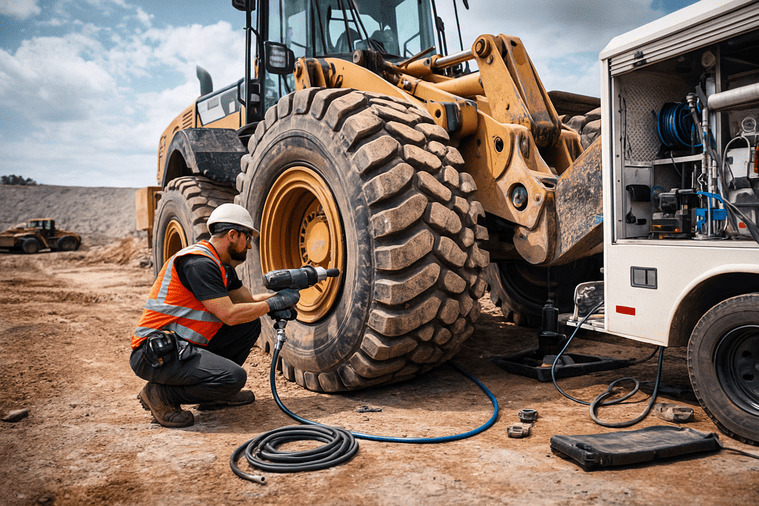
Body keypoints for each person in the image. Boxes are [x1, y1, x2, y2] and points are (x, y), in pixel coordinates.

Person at [130, 203, 300, 428]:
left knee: (248, 325)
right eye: (247, 238)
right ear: (232, 234)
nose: (249, 246)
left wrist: (278, 298)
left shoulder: (222, 266)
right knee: (234, 378)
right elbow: (229, 314)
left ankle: (213, 395)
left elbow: (246, 304)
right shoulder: (199, 263)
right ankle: (161, 395)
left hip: (181, 348)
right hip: (154, 354)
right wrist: (273, 303)